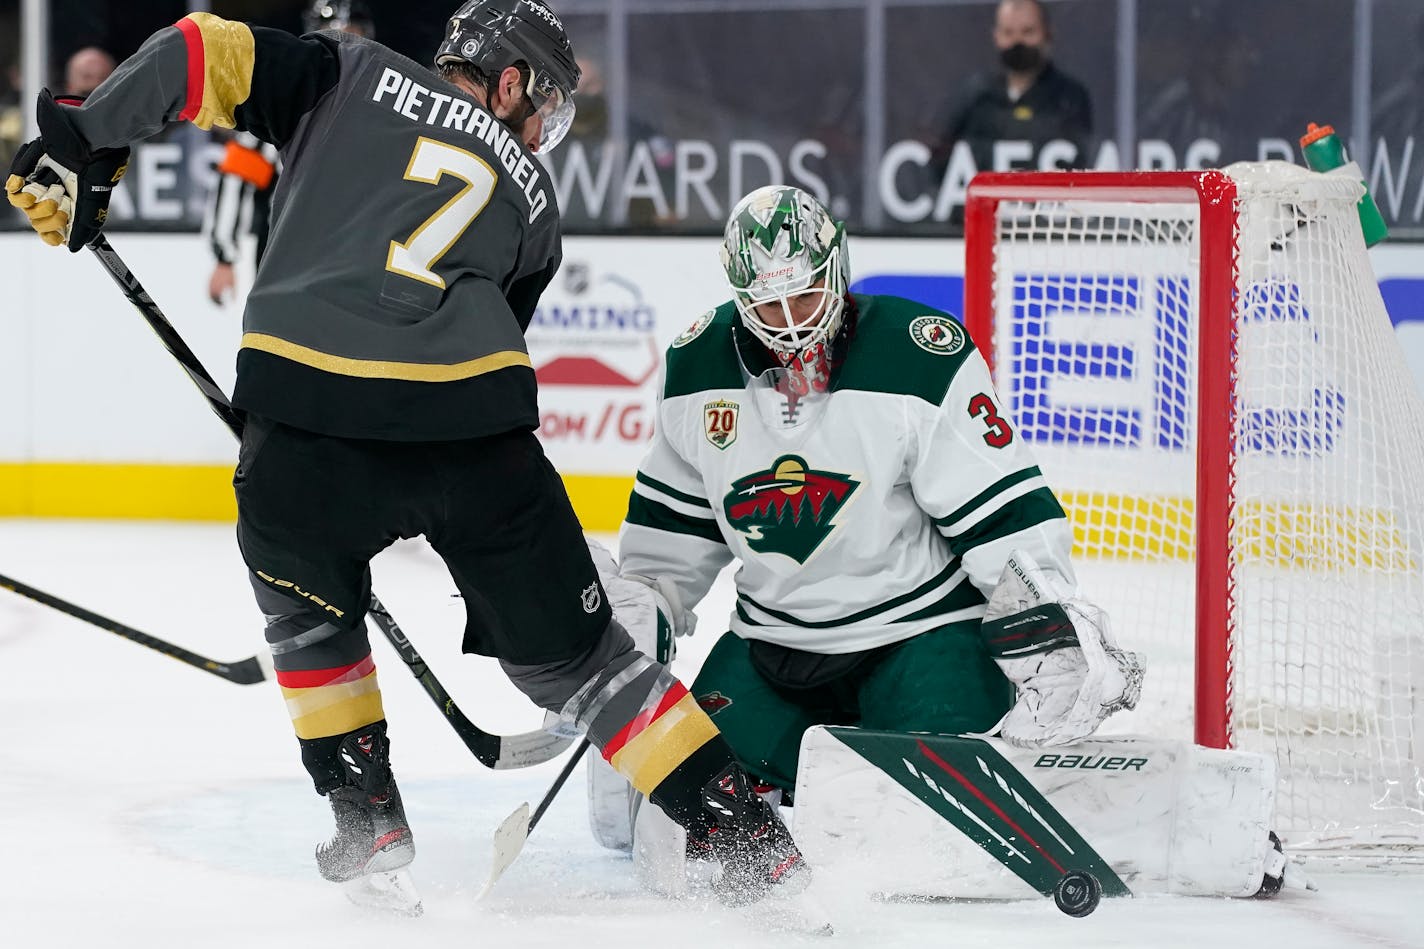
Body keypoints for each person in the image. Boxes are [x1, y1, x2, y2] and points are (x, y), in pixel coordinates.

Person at [5, 0, 807, 914]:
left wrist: (82, 139)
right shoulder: (538, 207)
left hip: (304, 415)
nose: (541, 126)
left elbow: (197, 47)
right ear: (505, 81)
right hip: (472, 435)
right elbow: (496, 338)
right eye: (540, 101)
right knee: (582, 664)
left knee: (306, 611)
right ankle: (743, 834)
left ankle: (365, 809)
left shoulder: (347, 74)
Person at [615, 185, 1144, 804]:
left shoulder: (919, 355)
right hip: (772, 648)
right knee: (684, 797)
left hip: (923, 637)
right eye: (769, 306)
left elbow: (1002, 513)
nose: (792, 325)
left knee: (937, 804)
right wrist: (636, 616)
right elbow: (671, 534)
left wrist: (1046, 617)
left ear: (837, 264)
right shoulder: (696, 366)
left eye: (807, 294)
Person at [205, 2, 374, 306]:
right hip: (290, 259)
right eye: (335, 35)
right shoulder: (283, 104)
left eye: (352, 35)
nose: (346, 46)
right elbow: (236, 179)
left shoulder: (384, 107)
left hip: (362, 260)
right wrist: (224, 256)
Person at [933, 0, 1092, 175]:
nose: (1018, 42)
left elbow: (1079, 162)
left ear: (1048, 34)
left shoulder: (1069, 98)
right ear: (996, 36)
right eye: (1008, 33)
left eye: (1028, 32)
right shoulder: (975, 96)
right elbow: (941, 159)